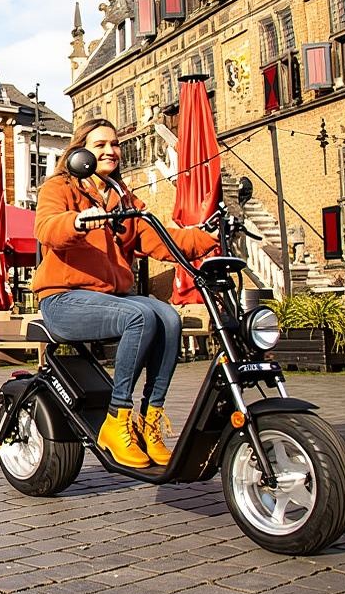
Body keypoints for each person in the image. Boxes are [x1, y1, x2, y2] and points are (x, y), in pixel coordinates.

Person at [33, 118, 217, 468]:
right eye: (100, 144)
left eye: (114, 144)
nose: (110, 151)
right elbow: (47, 228)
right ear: (80, 149)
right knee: (141, 314)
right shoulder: (60, 187)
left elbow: (159, 238)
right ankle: (116, 420)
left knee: (168, 317)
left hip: (109, 299)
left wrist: (207, 237)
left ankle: (149, 419)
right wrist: (77, 221)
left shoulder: (121, 197)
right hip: (63, 299)